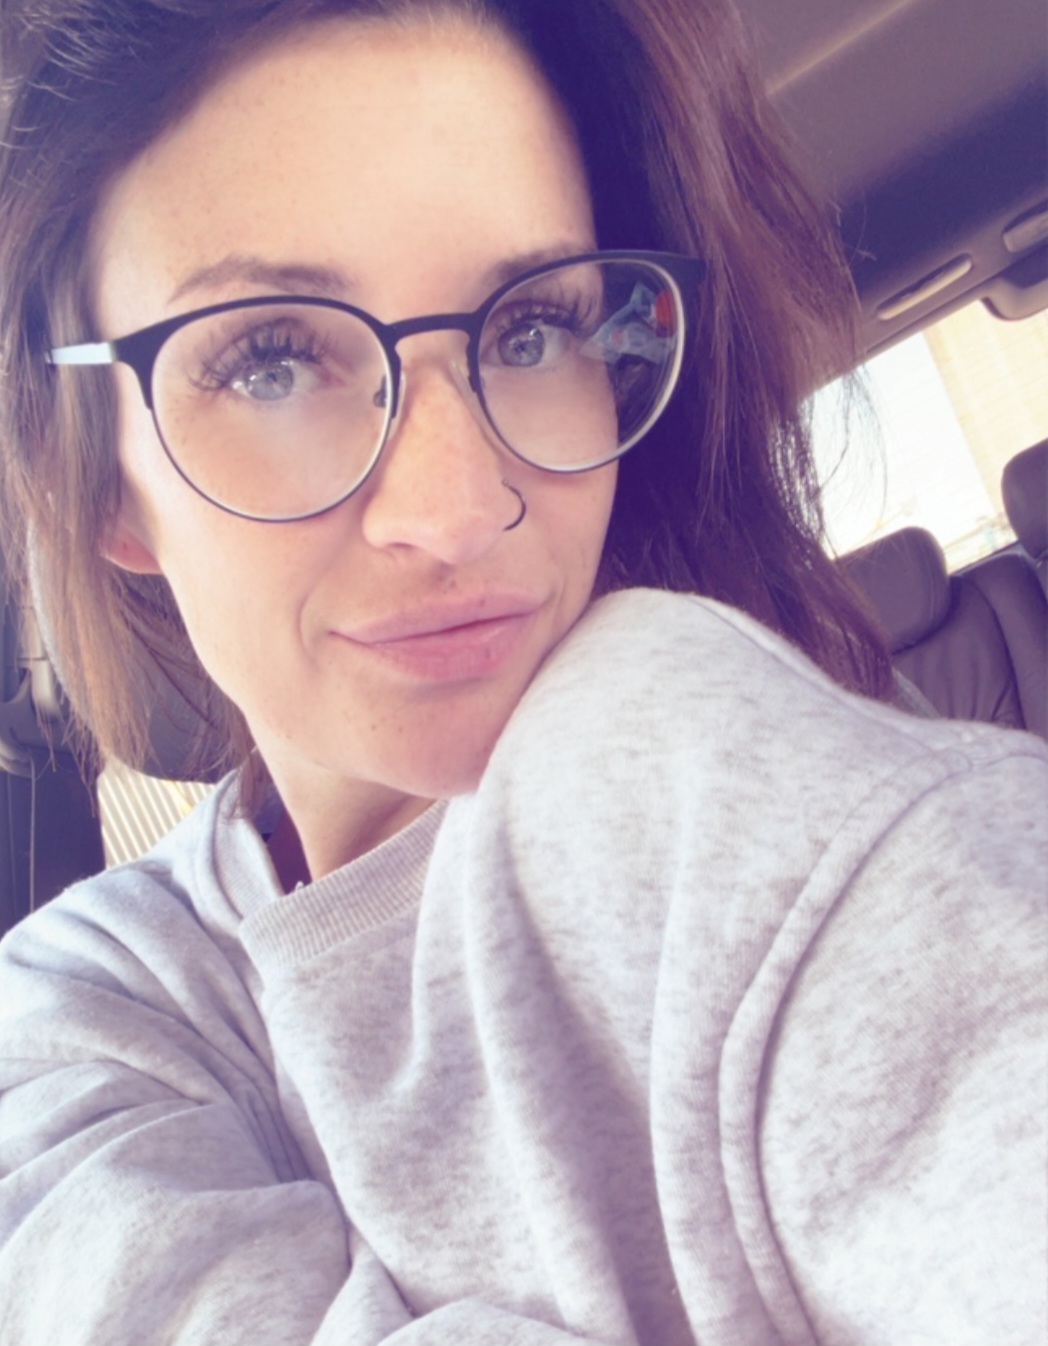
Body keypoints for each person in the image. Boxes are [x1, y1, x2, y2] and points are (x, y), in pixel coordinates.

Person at [0, 0, 1043, 1342]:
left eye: (534, 329)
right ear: (101, 478)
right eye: (270, 360)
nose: (456, 508)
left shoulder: (720, 776)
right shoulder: (88, 1000)